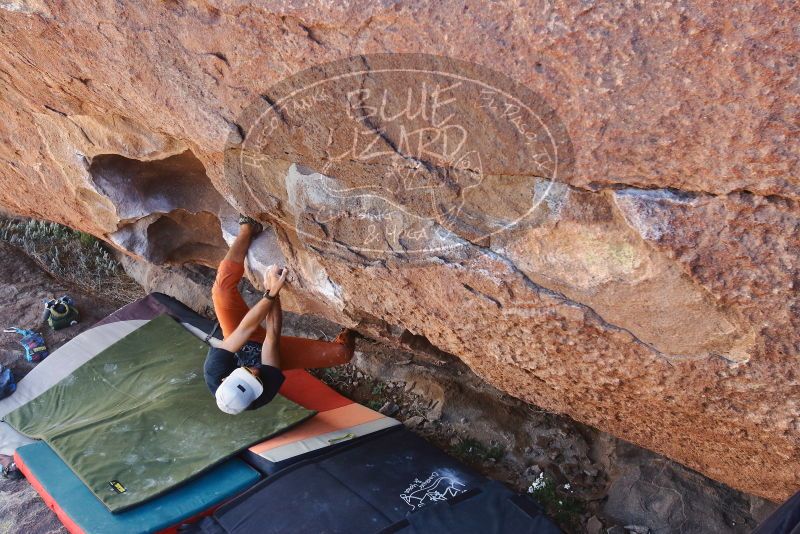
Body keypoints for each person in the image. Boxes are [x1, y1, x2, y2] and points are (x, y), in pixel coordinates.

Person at [204, 216, 354, 414]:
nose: (256, 371)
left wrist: (269, 293)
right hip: (272, 351)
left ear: (225, 379)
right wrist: (274, 292)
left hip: (240, 336)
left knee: (222, 290)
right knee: (342, 354)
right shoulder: (262, 392)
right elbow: (272, 336)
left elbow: (244, 329)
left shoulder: (214, 370)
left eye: (248, 372)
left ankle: (247, 229)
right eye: (255, 379)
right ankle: (351, 329)